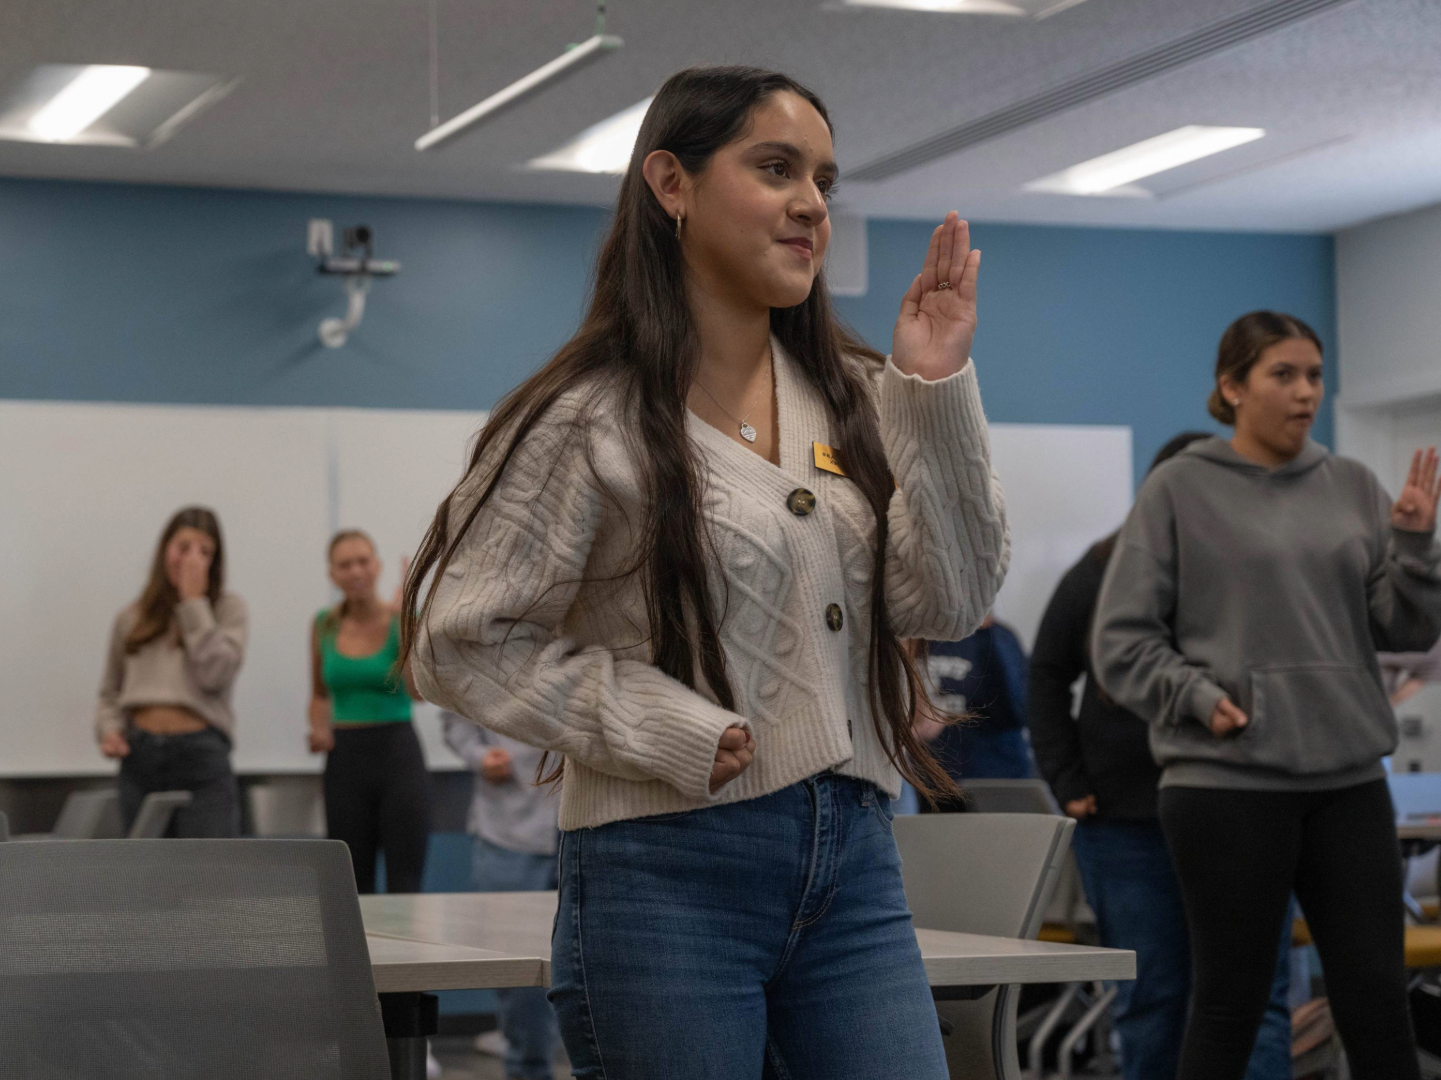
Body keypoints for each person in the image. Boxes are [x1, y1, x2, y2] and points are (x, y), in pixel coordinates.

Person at [403, 66, 1008, 1079]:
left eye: (822, 178)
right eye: (775, 168)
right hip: (662, 869)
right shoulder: (585, 417)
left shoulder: (861, 394)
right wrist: (663, 723)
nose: (811, 202)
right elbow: (457, 644)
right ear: (671, 185)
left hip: (855, 856)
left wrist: (933, 387)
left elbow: (950, 599)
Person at [1093, 310, 1440, 1080]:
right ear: (1232, 387)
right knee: (1232, 1004)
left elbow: (1405, 630)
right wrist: (1192, 695)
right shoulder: (1180, 489)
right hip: (1226, 785)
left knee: (1378, 1001)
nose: (1305, 392)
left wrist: (1415, 548)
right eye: (1283, 374)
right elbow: (1119, 643)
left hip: (1348, 781)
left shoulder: (1352, 485)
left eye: (1315, 375)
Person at [1030, 430, 1294, 1080]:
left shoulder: (1266, 571)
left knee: (1258, 999)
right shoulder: (1101, 570)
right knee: (1152, 999)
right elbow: (1046, 676)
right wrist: (1067, 778)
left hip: (1248, 816)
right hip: (1126, 824)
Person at [96, 507, 246, 838]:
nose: (191, 559)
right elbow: (110, 692)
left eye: (204, 552)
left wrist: (193, 603)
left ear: (215, 562)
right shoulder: (132, 617)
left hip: (201, 757)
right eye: (183, 547)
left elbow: (215, 675)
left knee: (208, 877)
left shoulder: (228, 610)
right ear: (165, 549)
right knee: (145, 878)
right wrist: (109, 730)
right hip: (140, 757)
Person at [442, 709, 561, 1080]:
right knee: (519, 975)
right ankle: (528, 1069)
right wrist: (479, 756)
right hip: (510, 825)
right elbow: (453, 711)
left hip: (593, 824)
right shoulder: (481, 649)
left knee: (606, 968)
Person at [309, 530, 429, 894]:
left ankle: (405, 954)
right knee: (349, 884)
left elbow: (418, 692)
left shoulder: (402, 619)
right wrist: (318, 728)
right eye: (345, 564)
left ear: (377, 566)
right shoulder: (323, 624)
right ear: (333, 574)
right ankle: (355, 954)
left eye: (363, 561)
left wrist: (407, 623)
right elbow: (319, 694)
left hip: (397, 754)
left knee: (404, 881)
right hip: (344, 758)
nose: (356, 571)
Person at [924, 614, 1033, 782]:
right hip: (931, 776)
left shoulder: (998, 638)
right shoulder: (919, 635)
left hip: (992, 776)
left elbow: (1020, 710)